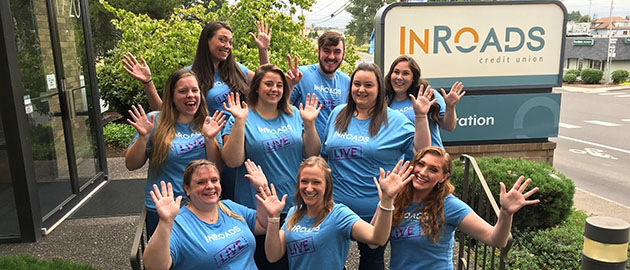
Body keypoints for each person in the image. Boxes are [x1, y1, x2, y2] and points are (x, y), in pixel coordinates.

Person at [123, 21, 272, 201]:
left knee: (236, 199)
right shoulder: (190, 75)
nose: (227, 46)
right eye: (222, 40)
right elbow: (167, 113)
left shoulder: (237, 69)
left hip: (238, 143)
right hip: (208, 143)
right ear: (206, 41)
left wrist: (263, 51)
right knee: (211, 193)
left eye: (230, 42)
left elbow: (266, 86)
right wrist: (148, 83)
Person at [320, 63, 434, 270]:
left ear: (379, 89)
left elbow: (423, 153)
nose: (361, 90)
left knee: (371, 262)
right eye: (356, 84)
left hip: (375, 210)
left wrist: (420, 117)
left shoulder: (395, 120)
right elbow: (324, 154)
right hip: (334, 208)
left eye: (368, 85)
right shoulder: (337, 114)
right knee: (330, 260)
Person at [221, 64, 321, 269]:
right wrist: (240, 122)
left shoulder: (293, 113)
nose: (274, 89)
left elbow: (311, 153)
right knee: (267, 262)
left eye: (279, 85)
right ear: (257, 87)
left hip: (296, 204)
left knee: (295, 262)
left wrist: (310, 124)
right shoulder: (240, 116)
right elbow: (233, 161)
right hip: (257, 207)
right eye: (268, 84)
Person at [380, 146, 539, 270]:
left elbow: (495, 240)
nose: (423, 172)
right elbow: (374, 240)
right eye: (420, 164)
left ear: (444, 177)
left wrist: (506, 213)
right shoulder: (396, 198)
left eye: (433, 170)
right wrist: (386, 199)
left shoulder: (449, 205)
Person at [260, 156, 413, 270]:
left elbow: (377, 238)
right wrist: (273, 218)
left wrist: (387, 201)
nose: (309, 188)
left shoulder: (339, 214)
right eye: (304, 181)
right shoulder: (294, 212)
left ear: (327, 186)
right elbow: (273, 255)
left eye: (316, 182)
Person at [125, 69, 225, 238]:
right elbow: (131, 164)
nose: (190, 95)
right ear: (171, 96)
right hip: (164, 207)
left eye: (194, 90)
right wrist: (143, 138)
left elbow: (217, 167)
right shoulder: (154, 121)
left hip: (201, 206)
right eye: (183, 91)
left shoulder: (209, 124)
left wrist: (210, 139)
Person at [142, 160, 285, 270]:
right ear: (187, 189)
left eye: (214, 180)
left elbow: (262, 225)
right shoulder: (179, 224)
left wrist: (262, 190)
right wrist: (165, 221)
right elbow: (153, 266)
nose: (210, 186)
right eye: (201, 182)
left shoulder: (230, 207)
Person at [384, 55, 465, 148]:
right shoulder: (383, 100)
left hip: (430, 159)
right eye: (396, 72)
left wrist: (450, 107)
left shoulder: (428, 95)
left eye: (405, 73)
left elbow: (449, 127)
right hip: (400, 161)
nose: (399, 77)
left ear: (413, 78)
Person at [288, 31, 351, 141]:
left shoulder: (347, 81)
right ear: (318, 52)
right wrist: (289, 85)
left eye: (337, 52)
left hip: (335, 152)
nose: (331, 57)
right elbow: (281, 107)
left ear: (343, 55)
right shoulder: (301, 75)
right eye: (326, 51)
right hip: (306, 153)